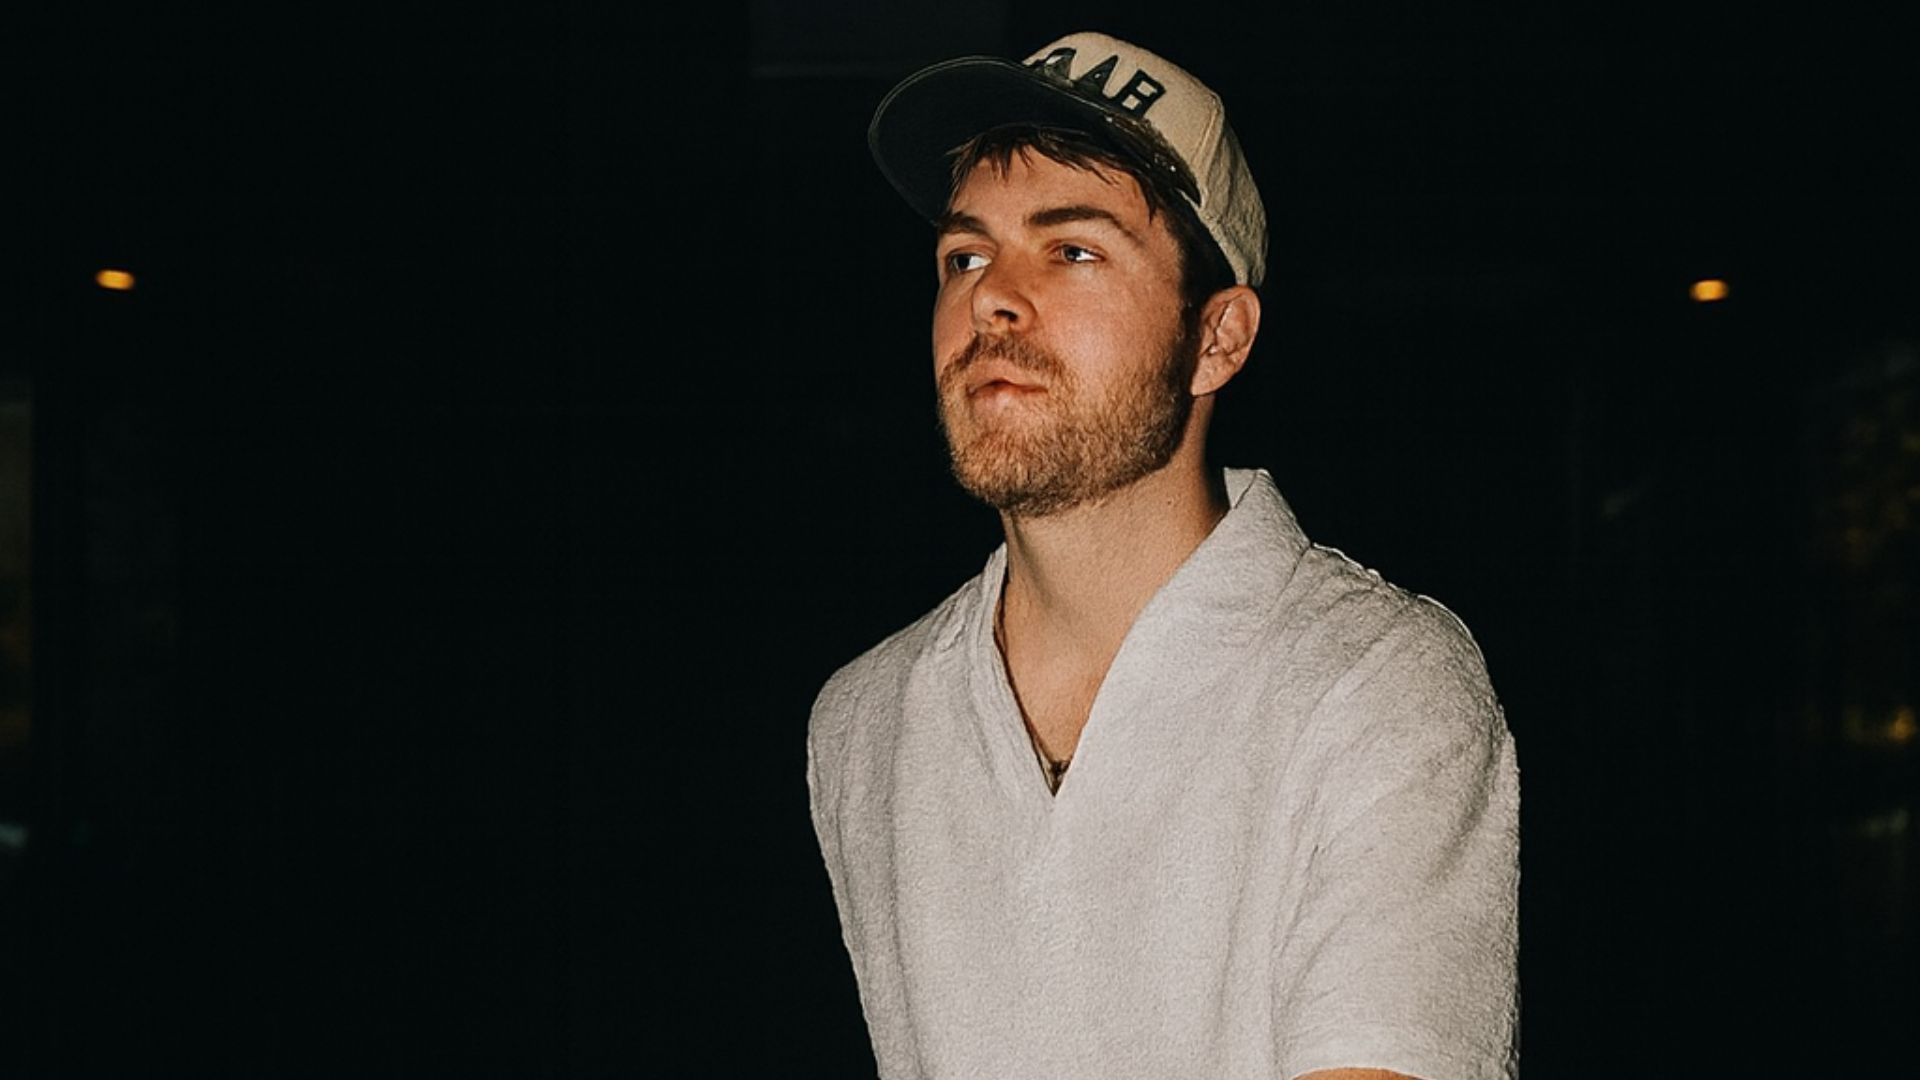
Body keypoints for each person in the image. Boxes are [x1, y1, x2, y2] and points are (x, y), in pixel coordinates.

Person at [807, 30, 1518, 1080]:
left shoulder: (1374, 683)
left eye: (1072, 250)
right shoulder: (866, 720)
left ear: (1217, 338)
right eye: (965, 255)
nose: (991, 297)